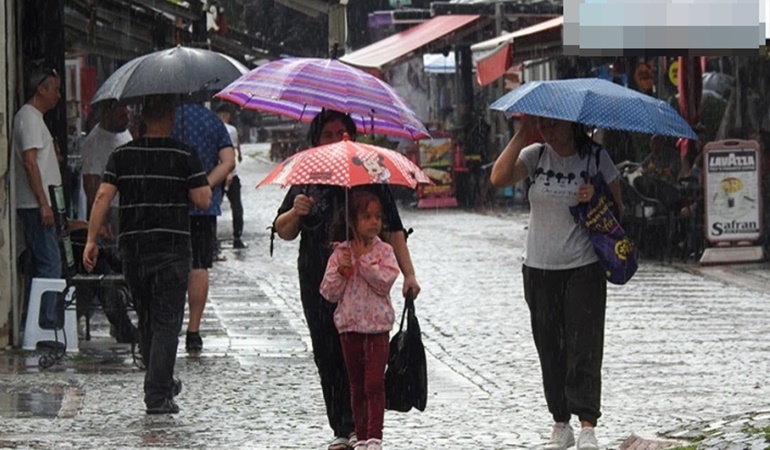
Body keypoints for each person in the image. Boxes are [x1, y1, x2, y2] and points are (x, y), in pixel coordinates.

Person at [272, 109, 420, 450]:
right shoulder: (307, 180)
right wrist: (296, 210)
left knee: (363, 357)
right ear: (316, 140)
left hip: (363, 287)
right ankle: (342, 426)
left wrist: (409, 274)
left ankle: (364, 428)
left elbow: (395, 230)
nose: (339, 138)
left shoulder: (371, 176)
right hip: (318, 281)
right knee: (327, 351)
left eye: (344, 132)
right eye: (329, 133)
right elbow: (283, 231)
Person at [490, 115, 622, 450]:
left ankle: (587, 424)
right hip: (538, 267)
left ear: (571, 124)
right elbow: (498, 177)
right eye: (543, 126)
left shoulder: (595, 157)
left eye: (554, 126)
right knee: (550, 347)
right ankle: (560, 422)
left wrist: (597, 195)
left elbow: (618, 209)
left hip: (584, 266)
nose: (548, 132)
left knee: (584, 346)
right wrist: (522, 133)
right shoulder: (535, 155)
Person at [82, 94, 211, 414]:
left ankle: (161, 381)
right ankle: (157, 394)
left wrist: (90, 239)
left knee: (149, 319)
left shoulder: (122, 155)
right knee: (167, 322)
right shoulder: (184, 155)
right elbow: (203, 201)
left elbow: (102, 196)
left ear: (143, 119)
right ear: (169, 116)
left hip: (134, 251)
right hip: (171, 250)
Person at [319, 190, 399, 450]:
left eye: (377, 216)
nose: (374, 222)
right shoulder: (340, 253)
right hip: (349, 328)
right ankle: (361, 435)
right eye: (367, 216)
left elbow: (384, 282)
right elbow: (329, 292)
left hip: (377, 328)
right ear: (353, 220)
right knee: (356, 385)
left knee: (374, 382)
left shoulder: (384, 251)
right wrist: (342, 272)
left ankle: (374, 436)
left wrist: (364, 263)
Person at [171, 104, 235, 353]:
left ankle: (170, 323)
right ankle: (193, 331)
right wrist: (204, 184)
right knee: (199, 265)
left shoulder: (166, 118)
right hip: (203, 208)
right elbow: (228, 162)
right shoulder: (212, 121)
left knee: (172, 265)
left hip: (170, 206)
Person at [79, 102, 137, 343]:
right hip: (110, 210)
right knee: (114, 265)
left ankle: (123, 318)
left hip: (125, 207)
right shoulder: (95, 141)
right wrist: (99, 220)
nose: (127, 116)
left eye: (128, 111)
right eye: (122, 112)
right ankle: (119, 320)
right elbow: (91, 183)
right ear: (108, 113)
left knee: (126, 264)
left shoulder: (123, 133)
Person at [13, 66, 63, 329]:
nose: (58, 95)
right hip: (36, 205)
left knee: (41, 263)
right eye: (54, 89)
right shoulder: (30, 118)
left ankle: (36, 321)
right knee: (51, 264)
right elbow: (30, 163)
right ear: (41, 89)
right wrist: (44, 203)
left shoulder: (33, 119)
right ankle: (45, 322)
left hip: (39, 203)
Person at [216, 104, 246, 249]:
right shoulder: (231, 129)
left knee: (214, 206)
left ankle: (212, 240)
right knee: (237, 206)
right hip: (230, 173)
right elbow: (232, 149)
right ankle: (237, 236)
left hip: (215, 173)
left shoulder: (213, 128)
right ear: (227, 115)